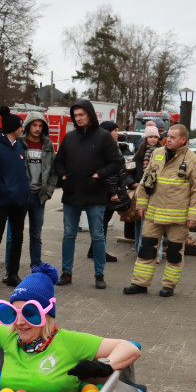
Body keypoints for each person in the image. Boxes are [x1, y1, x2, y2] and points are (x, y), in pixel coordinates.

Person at [0, 264, 141, 392]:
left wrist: (106, 366)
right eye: (12, 313)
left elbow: (130, 348)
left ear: (47, 314)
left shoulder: (69, 342)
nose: (19, 322)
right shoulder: (10, 337)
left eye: (30, 312)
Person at [122, 124, 196, 297]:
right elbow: (146, 181)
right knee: (146, 249)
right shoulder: (157, 154)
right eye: (168, 136)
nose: (169, 140)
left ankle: (169, 286)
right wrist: (141, 205)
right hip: (153, 213)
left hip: (178, 217)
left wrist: (194, 215)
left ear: (183, 140)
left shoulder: (193, 160)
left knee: (174, 253)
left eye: (174, 137)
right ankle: (139, 284)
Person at [53, 99, 123, 289]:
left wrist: (98, 174)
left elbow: (116, 162)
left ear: (90, 115)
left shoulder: (104, 137)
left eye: (81, 114)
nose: (78, 118)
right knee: (69, 235)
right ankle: (66, 273)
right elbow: (58, 161)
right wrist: (63, 177)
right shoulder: (69, 138)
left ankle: (99, 275)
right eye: (75, 115)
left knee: (97, 235)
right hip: (72, 194)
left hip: (95, 193)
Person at [0, 106, 30, 291]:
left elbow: (21, 172)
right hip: (2, 201)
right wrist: (5, 190)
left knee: (18, 238)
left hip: (19, 202)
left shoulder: (19, 145)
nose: (22, 129)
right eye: (20, 126)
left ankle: (12, 274)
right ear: (12, 128)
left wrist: (25, 191)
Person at [14, 109, 56, 269]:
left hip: (39, 197)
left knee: (36, 236)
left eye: (40, 125)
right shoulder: (19, 143)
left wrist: (48, 192)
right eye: (34, 125)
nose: (37, 128)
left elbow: (53, 171)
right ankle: (12, 270)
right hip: (21, 196)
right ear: (28, 126)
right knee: (15, 236)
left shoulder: (48, 145)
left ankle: (36, 268)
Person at [93, 121, 129, 263]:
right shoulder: (106, 148)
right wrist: (113, 192)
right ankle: (99, 252)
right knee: (103, 222)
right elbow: (109, 173)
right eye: (114, 130)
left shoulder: (112, 146)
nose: (117, 133)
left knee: (103, 221)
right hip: (107, 191)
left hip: (110, 189)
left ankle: (94, 250)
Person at [131, 124, 162, 253]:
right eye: (151, 137)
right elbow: (129, 171)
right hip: (140, 192)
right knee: (139, 222)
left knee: (153, 224)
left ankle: (154, 254)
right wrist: (132, 183)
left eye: (156, 137)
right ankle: (139, 250)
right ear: (146, 138)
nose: (153, 139)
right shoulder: (139, 154)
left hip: (156, 193)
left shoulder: (163, 152)